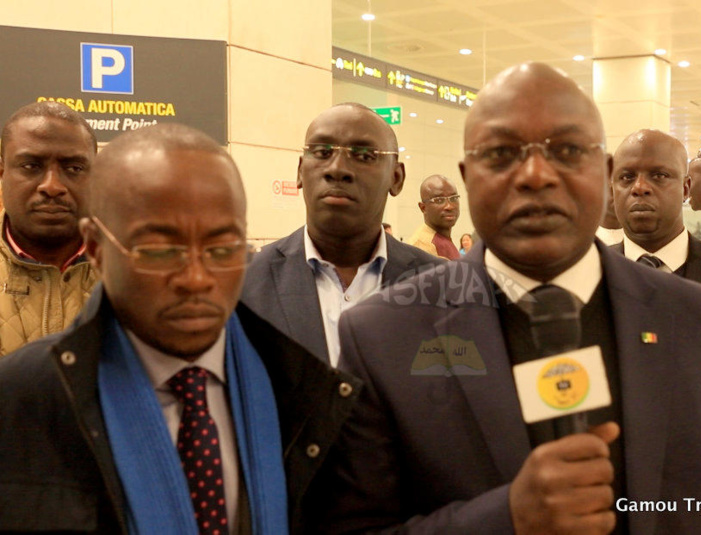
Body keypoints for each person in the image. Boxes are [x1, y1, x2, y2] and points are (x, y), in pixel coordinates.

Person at [322, 62, 701, 534]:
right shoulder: (381, 338)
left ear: (604, 175)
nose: (536, 175)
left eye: (566, 150)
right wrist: (505, 518)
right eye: (501, 153)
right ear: (467, 176)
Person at [0, 124, 360, 533]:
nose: (196, 279)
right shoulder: (23, 398)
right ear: (98, 249)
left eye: (223, 250)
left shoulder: (302, 388)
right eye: (160, 251)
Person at [241, 103, 442, 367]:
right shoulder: (247, 285)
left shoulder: (442, 288)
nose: (337, 169)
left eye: (364, 156)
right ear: (300, 171)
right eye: (323, 152)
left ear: (396, 178)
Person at [0, 101, 99, 356]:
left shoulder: (137, 268)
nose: (52, 186)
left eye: (74, 168)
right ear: (2, 172)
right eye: (31, 166)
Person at [610, 129, 701, 285]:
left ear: (685, 188)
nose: (639, 187)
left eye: (659, 176)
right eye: (626, 177)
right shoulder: (587, 273)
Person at [409, 174, 462, 260]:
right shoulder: (423, 247)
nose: (449, 206)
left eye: (453, 198)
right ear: (423, 207)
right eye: (439, 200)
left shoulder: (442, 239)